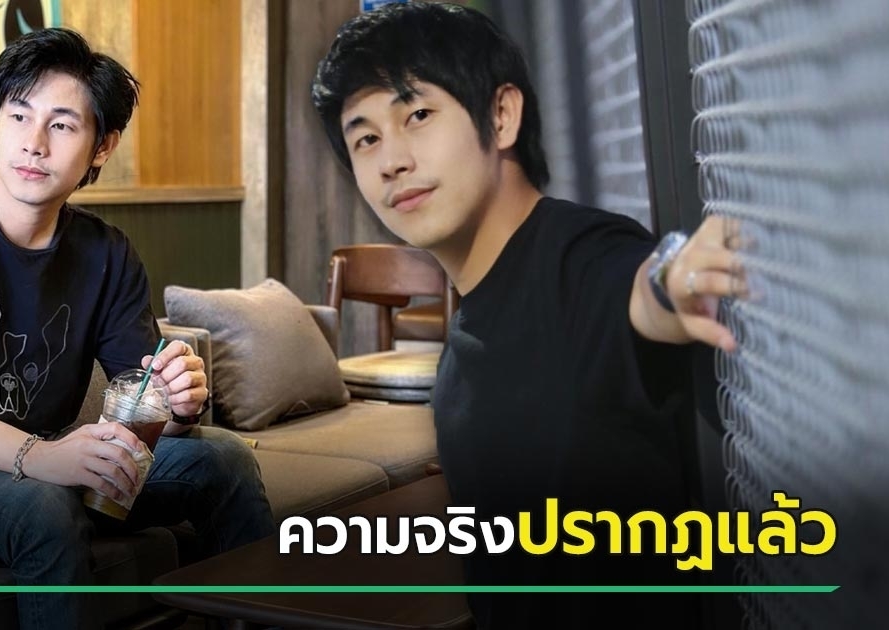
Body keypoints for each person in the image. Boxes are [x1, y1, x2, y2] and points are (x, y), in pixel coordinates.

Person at [312, 3, 745, 628]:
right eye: (366, 138)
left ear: (501, 114)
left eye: (418, 115)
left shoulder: (576, 256)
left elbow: (639, 287)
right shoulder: (465, 345)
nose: (392, 161)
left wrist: (674, 279)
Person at [0, 27, 275, 630]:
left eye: (61, 124)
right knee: (43, 506)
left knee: (223, 461)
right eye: (18, 115)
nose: (33, 143)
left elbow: (145, 402)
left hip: (43, 464)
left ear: (102, 146)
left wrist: (179, 403)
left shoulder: (107, 254)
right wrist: (41, 456)